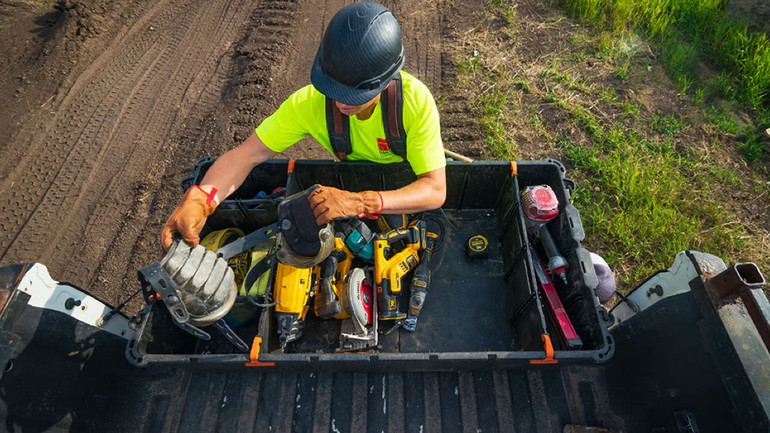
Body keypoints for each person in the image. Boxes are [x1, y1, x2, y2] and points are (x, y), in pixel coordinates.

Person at [161, 1, 446, 251]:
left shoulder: (413, 102)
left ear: (384, 82)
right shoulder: (309, 103)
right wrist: (202, 198)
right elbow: (248, 154)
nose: (338, 103)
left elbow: (434, 190)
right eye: (332, 89)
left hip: (401, 191)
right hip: (356, 189)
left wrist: (361, 203)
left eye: (352, 96)